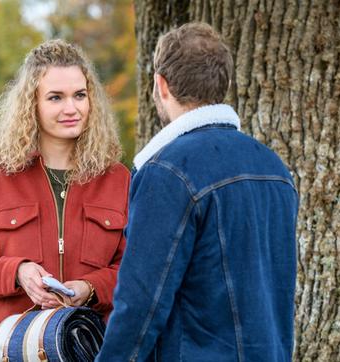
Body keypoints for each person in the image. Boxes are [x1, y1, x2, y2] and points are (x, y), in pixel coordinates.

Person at [96, 23, 299, 361]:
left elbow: (141, 302)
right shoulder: (274, 168)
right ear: (227, 84)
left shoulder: (167, 172)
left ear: (161, 85)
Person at [0, 39, 129, 359]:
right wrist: (17, 272)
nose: (71, 108)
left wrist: (91, 288)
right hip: (16, 350)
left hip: (93, 348)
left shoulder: (118, 179)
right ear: (32, 103)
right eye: (55, 97)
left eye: (80, 95)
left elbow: (134, 268)